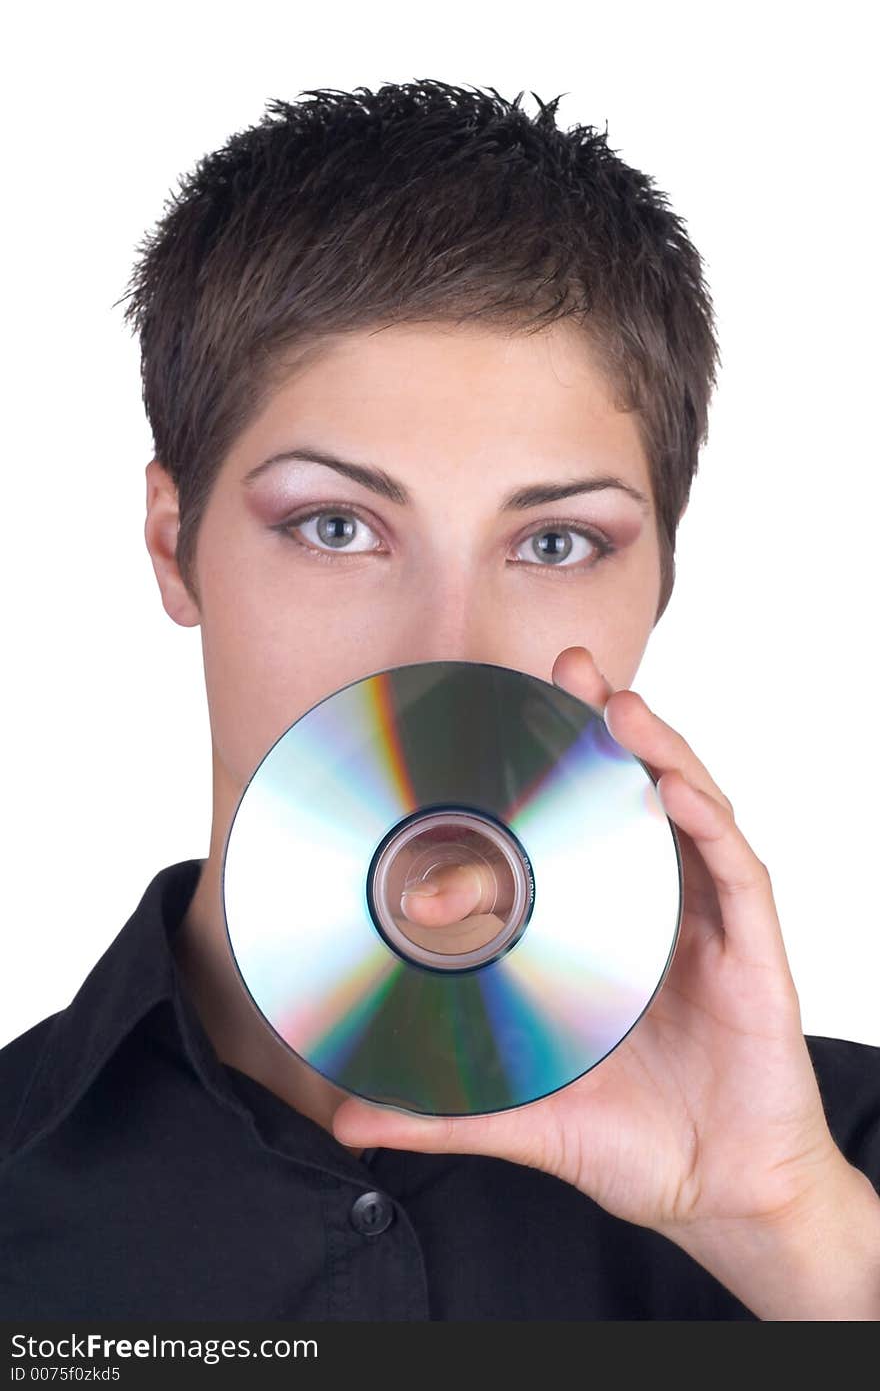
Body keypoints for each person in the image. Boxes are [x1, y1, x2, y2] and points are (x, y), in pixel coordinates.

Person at [1, 79, 878, 1322]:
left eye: (557, 543)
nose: (446, 651)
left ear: (663, 580)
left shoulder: (841, 1176)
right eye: (337, 525)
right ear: (172, 542)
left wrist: (793, 1235)